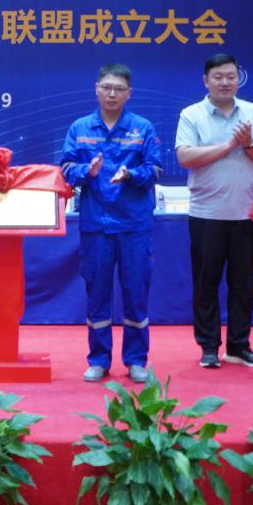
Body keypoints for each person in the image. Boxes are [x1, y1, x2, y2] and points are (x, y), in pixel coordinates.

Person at [61, 64, 163, 384]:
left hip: (134, 225)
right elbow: (65, 167)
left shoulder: (142, 128)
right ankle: (98, 360)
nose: (112, 94)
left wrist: (131, 175)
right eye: (106, 87)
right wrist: (86, 172)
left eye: (119, 89)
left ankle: (136, 360)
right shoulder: (80, 127)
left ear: (129, 93)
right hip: (96, 224)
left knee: (136, 293)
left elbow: (155, 169)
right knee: (97, 293)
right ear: (96, 88)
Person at [175, 53, 253, 370]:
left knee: (243, 285)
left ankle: (238, 346)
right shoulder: (192, 114)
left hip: (246, 214)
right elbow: (185, 157)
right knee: (206, 284)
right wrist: (230, 146)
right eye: (218, 77)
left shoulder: (252, 112)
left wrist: (248, 144)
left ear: (238, 79)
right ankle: (208, 347)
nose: (225, 82)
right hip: (206, 214)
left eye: (231, 76)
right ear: (206, 80)